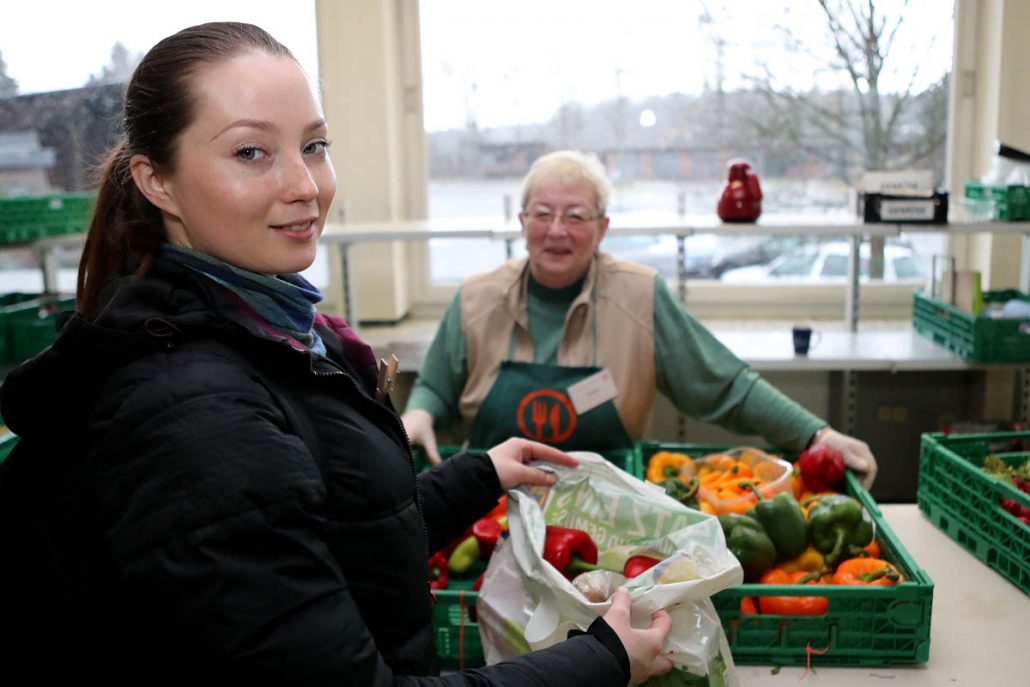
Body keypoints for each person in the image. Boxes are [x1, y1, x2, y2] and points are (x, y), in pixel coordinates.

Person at [0, 23, 674, 686]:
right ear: (157, 181)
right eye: (251, 152)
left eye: (314, 145)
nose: (305, 185)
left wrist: (479, 475)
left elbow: (327, 527)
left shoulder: (265, 325)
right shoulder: (191, 413)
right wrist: (604, 660)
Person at [402, 150, 878, 488]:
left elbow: (727, 386)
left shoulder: (640, 296)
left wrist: (817, 435)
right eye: (543, 214)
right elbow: (436, 387)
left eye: (576, 216)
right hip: (488, 507)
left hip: (610, 512)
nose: (557, 230)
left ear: (602, 228)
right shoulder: (477, 298)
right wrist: (419, 413)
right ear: (523, 223)